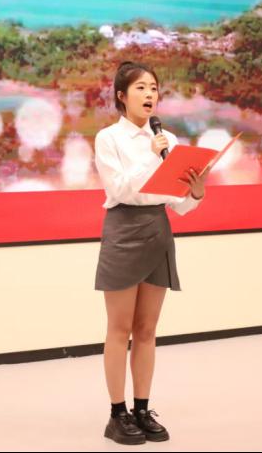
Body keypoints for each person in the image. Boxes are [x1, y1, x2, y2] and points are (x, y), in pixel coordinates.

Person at [94, 61, 208, 445]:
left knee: (146, 329)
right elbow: (120, 189)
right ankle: (117, 414)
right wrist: (150, 154)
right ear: (122, 96)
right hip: (123, 231)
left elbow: (178, 203)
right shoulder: (109, 138)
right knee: (119, 329)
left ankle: (142, 409)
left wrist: (195, 192)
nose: (149, 94)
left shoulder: (168, 139)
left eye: (154, 88)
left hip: (158, 231)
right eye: (141, 88)